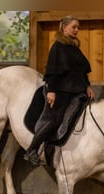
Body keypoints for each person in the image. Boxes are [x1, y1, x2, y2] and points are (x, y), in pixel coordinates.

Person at [24, 15, 95, 166]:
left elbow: (81, 71)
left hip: (77, 90)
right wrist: (52, 90)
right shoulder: (58, 46)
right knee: (54, 119)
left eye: (78, 28)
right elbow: (53, 70)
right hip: (60, 90)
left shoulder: (73, 48)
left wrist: (88, 86)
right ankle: (31, 150)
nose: (77, 30)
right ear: (64, 27)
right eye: (74, 27)